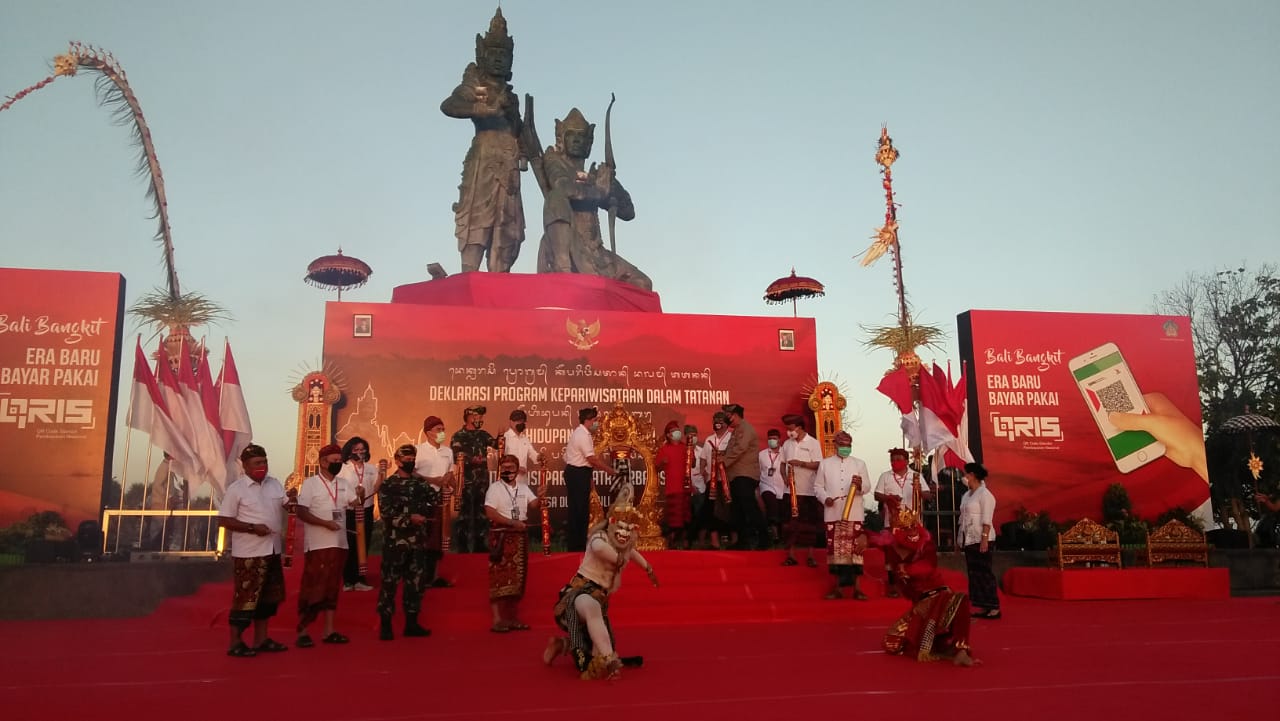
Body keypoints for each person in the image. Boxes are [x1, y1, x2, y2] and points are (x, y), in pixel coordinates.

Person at [439, 8, 526, 273]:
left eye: (504, 55)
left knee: (506, 228)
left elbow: (522, 133)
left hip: (510, 166)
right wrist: (481, 110)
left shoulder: (511, 97)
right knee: (477, 220)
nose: (499, 59)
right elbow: (449, 105)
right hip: (484, 159)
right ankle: (469, 277)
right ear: (483, 55)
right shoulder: (475, 84)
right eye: (494, 53)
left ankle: (499, 281)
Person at [543, 484, 659, 679]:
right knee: (592, 610)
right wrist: (619, 559)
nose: (624, 532)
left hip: (600, 597)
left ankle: (561, 644)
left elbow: (631, 551)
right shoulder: (600, 537)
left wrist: (648, 568)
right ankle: (612, 661)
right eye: (620, 526)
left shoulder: (622, 544)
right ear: (611, 522)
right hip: (579, 594)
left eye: (629, 527)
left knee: (597, 652)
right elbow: (598, 548)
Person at [534, 107, 652, 290]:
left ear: (589, 142)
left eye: (581, 136)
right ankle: (564, 270)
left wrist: (612, 187)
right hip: (567, 245)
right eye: (571, 135)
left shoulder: (595, 177)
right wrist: (599, 192)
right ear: (561, 139)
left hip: (596, 250)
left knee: (643, 284)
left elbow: (628, 212)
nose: (576, 140)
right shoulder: (554, 161)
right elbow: (563, 187)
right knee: (556, 198)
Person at [855, 516, 978, 666]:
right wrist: (863, 536)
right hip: (919, 605)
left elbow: (928, 566)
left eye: (913, 526)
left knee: (959, 601)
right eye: (906, 528)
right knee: (891, 643)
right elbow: (871, 536)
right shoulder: (890, 546)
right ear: (896, 531)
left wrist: (908, 569)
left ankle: (961, 650)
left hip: (938, 596)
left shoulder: (926, 544)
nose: (912, 531)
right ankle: (938, 643)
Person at [218, 444, 292, 657]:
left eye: (264, 462)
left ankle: (261, 639)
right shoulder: (236, 489)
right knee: (245, 598)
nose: (262, 466)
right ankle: (235, 642)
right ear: (245, 466)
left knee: (268, 598)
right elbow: (224, 520)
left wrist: (294, 500)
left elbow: (289, 505)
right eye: (257, 463)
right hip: (249, 553)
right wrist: (252, 527)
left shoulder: (275, 484)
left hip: (272, 549)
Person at [294, 444, 359, 647]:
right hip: (318, 545)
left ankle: (329, 630)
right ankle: (303, 631)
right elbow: (301, 512)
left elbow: (354, 502)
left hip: (339, 543)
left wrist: (360, 496)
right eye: (334, 461)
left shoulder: (344, 483)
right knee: (313, 586)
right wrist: (324, 523)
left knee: (332, 586)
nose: (338, 464)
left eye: (340, 461)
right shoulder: (311, 484)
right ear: (323, 462)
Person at [376, 445, 440, 641]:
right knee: (389, 585)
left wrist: (446, 484)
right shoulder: (388, 485)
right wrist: (409, 519)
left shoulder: (420, 483)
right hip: (395, 544)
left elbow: (436, 499)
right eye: (406, 459)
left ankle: (412, 624)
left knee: (416, 584)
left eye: (413, 458)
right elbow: (386, 514)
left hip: (417, 543)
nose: (410, 462)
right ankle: (386, 625)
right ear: (397, 461)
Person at [484, 454, 544, 632]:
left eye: (511, 468)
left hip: (519, 538)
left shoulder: (523, 488)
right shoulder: (494, 488)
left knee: (518, 578)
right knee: (498, 578)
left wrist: (541, 496)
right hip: (501, 536)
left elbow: (534, 505)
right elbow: (490, 512)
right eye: (504, 468)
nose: (507, 471)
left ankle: (512, 618)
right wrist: (511, 522)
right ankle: (497, 620)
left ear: (517, 470)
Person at [814, 431, 870, 600]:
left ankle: (857, 588)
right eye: (843, 445)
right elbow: (818, 487)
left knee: (855, 552)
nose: (845, 448)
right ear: (836, 445)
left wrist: (860, 485)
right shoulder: (825, 464)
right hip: (833, 513)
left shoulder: (859, 463)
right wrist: (825, 498)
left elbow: (867, 487)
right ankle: (838, 588)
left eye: (848, 446)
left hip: (854, 513)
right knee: (835, 552)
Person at [563, 407, 623, 552]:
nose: (597, 423)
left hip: (580, 473)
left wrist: (589, 477)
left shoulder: (582, 433)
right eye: (595, 420)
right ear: (588, 420)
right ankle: (576, 547)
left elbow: (585, 461)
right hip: (577, 474)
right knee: (579, 511)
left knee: (580, 510)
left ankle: (577, 545)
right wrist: (610, 471)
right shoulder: (582, 435)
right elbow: (591, 459)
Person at [415, 416, 459, 588]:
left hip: (440, 500)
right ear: (428, 432)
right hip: (422, 499)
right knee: (422, 539)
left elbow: (450, 474)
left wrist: (453, 485)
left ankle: (433, 576)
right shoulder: (418, 450)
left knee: (437, 538)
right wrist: (432, 480)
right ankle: (420, 576)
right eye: (438, 430)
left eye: (443, 429)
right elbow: (412, 473)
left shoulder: (448, 451)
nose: (442, 433)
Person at [336, 436, 380, 591]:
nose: (360, 452)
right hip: (349, 511)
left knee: (364, 543)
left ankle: (360, 579)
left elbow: (376, 487)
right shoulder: (343, 468)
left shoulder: (371, 468)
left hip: (366, 509)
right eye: (356, 450)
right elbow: (338, 490)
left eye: (362, 449)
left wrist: (382, 474)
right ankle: (348, 580)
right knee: (350, 544)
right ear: (349, 451)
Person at [451, 406, 496, 553]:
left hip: (481, 481)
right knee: (464, 514)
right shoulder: (458, 436)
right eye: (477, 416)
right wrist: (471, 460)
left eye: (481, 417)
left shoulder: (483, 435)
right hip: (465, 481)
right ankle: (462, 545)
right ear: (469, 417)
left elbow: (496, 445)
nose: (480, 419)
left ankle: (480, 543)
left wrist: (501, 437)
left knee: (481, 513)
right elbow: (456, 455)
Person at [780, 414, 823, 567]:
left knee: (809, 524)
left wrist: (801, 463)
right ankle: (791, 555)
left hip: (808, 490)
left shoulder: (813, 443)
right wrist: (784, 477)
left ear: (799, 428)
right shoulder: (787, 444)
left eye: (791, 429)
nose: (789, 432)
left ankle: (810, 555)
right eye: (787, 429)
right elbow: (782, 464)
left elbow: (818, 464)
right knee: (790, 524)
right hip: (790, 491)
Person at [721, 404, 765, 550]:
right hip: (736, 475)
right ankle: (742, 541)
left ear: (735, 415)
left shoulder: (745, 429)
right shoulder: (736, 430)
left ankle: (764, 537)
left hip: (745, 475)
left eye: (728, 415)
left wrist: (723, 462)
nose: (726, 418)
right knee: (737, 509)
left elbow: (740, 449)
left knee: (749, 507)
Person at [959, 462, 1000, 619]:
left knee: (985, 572)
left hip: (982, 538)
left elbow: (987, 518)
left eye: (966, 474)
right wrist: (959, 538)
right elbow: (962, 518)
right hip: (969, 539)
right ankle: (983, 605)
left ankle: (994, 607)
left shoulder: (985, 494)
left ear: (973, 475)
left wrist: (984, 538)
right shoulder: (966, 495)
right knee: (974, 574)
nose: (964, 477)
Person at [699, 411, 735, 549]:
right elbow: (703, 458)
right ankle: (715, 542)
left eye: (720, 421)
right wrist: (703, 470)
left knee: (729, 509)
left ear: (726, 424)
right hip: (712, 480)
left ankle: (734, 540)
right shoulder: (709, 439)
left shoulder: (732, 438)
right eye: (715, 420)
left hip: (727, 481)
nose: (717, 423)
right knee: (711, 509)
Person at [654, 421, 692, 548]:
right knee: (675, 519)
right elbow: (657, 467)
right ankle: (673, 541)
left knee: (686, 517)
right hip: (673, 489)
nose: (677, 432)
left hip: (686, 487)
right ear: (668, 435)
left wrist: (691, 454)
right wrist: (662, 463)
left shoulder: (685, 447)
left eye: (677, 430)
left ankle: (686, 542)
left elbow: (692, 464)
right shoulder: (664, 449)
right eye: (673, 431)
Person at [146, 452, 187, 551]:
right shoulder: (164, 467)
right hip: (160, 504)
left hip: (163, 504)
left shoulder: (168, 467)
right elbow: (158, 485)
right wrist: (169, 497)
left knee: (161, 530)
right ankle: (154, 549)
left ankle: (157, 548)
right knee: (157, 530)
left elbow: (169, 486)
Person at [758, 429, 786, 544]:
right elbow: (759, 470)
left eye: (774, 438)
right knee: (772, 505)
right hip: (766, 485)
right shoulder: (762, 454)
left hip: (783, 486)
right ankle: (775, 535)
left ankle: (782, 534)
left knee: (782, 510)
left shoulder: (785, 453)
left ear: (779, 439)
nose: (772, 441)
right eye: (769, 439)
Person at [502, 409, 541, 487]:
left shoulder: (525, 439)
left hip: (523, 481)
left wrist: (540, 457)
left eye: (522, 421)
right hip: (508, 480)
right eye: (518, 421)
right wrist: (517, 468)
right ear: (511, 422)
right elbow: (501, 460)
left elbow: (533, 454)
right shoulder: (505, 438)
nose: (521, 423)